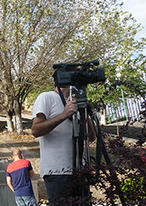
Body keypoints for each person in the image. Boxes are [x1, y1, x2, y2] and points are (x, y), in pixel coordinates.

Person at [31, 71, 96, 205]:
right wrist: (64, 114)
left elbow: (92, 137)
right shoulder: (46, 97)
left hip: (79, 171)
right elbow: (35, 130)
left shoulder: (75, 103)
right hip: (57, 171)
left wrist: (84, 111)